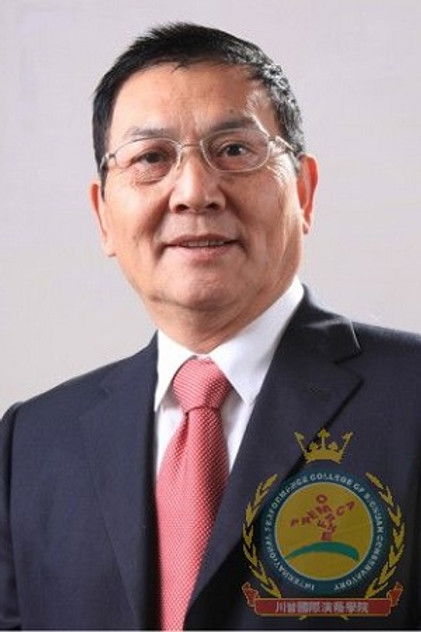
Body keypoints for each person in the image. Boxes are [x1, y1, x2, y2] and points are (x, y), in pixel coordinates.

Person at [1, 22, 420, 631]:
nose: (195, 192)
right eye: (151, 158)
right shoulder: (32, 444)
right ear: (103, 217)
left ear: (304, 192)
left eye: (235, 151)